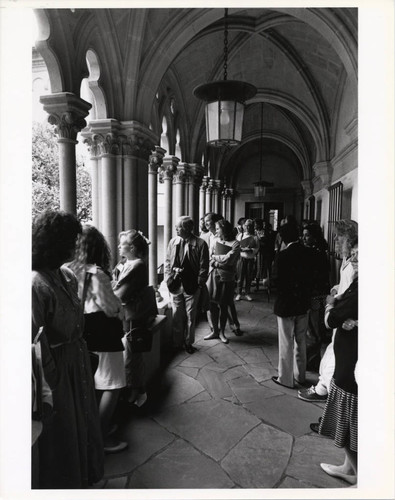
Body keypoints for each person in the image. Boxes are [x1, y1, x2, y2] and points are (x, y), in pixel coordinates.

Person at [32, 210, 104, 488]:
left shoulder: (67, 275)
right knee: (63, 431)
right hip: (56, 370)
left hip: (76, 362)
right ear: (54, 242)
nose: (76, 246)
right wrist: (52, 382)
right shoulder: (36, 283)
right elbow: (36, 343)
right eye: (71, 240)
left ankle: (83, 478)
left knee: (83, 423)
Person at [68, 225, 127, 454]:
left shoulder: (68, 270)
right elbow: (109, 307)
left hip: (83, 332)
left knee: (92, 384)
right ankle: (101, 438)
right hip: (103, 331)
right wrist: (120, 309)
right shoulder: (96, 273)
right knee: (113, 384)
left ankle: (92, 431)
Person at [298, 220, 358, 402]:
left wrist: (337, 304)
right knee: (332, 349)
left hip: (346, 314)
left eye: (339, 236)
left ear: (348, 238)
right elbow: (349, 285)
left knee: (335, 353)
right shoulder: (349, 257)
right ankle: (324, 387)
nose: (335, 239)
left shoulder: (358, 259)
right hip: (342, 309)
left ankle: (324, 389)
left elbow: (357, 290)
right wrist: (337, 287)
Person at [318, 242, 358, 485]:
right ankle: (348, 467)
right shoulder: (358, 283)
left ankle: (361, 475)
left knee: (348, 413)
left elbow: (332, 318)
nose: (353, 260)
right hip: (348, 354)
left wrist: (331, 305)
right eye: (353, 255)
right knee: (347, 412)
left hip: (352, 361)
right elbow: (343, 299)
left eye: (358, 257)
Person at [112, 229, 157, 407]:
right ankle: (136, 391)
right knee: (130, 356)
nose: (118, 246)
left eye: (121, 244)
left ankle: (137, 393)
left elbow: (119, 294)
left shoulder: (137, 265)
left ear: (131, 247)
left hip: (132, 318)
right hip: (128, 316)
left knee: (131, 358)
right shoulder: (128, 262)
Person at [271, 222, 314, 389]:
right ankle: (300, 376)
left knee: (286, 342)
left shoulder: (282, 256)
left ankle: (285, 379)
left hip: (286, 305)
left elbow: (276, 281)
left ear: (283, 237)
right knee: (301, 340)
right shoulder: (309, 253)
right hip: (303, 303)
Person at [164, 215, 209, 354]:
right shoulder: (173, 242)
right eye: (177, 226)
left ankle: (188, 343)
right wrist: (168, 278)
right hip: (176, 284)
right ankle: (177, 343)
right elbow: (167, 261)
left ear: (189, 228)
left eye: (179, 227)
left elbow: (204, 266)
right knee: (177, 314)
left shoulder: (200, 244)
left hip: (192, 285)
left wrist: (200, 283)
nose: (176, 229)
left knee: (191, 315)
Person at [204, 219, 241, 344]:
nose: (217, 231)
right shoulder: (215, 241)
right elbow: (209, 257)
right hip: (214, 276)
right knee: (212, 304)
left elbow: (229, 260)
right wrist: (217, 260)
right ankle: (215, 330)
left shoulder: (236, 244)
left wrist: (215, 259)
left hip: (227, 278)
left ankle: (222, 332)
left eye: (218, 228)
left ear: (224, 229)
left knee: (224, 305)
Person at [301, 223, 330, 371]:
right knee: (311, 329)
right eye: (303, 235)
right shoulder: (314, 251)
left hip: (316, 295)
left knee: (314, 330)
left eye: (307, 235)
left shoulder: (317, 253)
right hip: (313, 294)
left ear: (314, 237)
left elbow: (318, 277)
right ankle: (311, 360)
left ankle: (311, 362)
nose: (304, 238)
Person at [235, 219, 259, 301]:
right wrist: (241, 249)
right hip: (241, 258)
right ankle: (239, 293)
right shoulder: (240, 236)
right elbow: (236, 246)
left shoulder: (255, 237)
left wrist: (251, 250)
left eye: (250, 226)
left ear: (252, 227)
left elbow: (257, 248)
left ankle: (247, 293)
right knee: (240, 276)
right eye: (246, 225)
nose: (248, 227)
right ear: (244, 226)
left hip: (250, 258)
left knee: (249, 276)